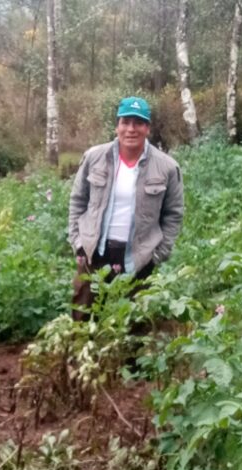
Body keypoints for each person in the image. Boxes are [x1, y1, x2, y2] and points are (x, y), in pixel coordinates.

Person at [67, 96, 185, 321]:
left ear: (147, 128)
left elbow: (174, 214)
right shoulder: (94, 157)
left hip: (140, 256)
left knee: (136, 323)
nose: (131, 129)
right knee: (83, 317)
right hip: (94, 253)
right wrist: (78, 242)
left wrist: (158, 254)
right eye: (126, 122)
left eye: (138, 123)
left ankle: (129, 346)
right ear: (117, 126)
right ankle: (83, 343)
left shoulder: (167, 167)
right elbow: (77, 200)